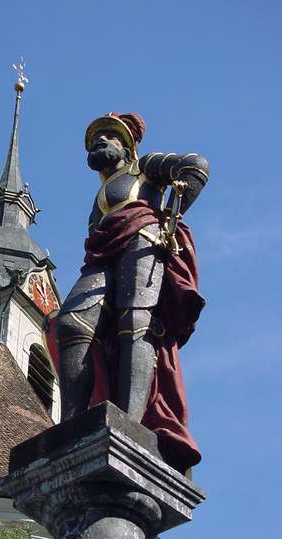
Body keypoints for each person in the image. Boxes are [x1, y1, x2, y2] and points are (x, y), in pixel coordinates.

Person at [51, 112, 209, 473]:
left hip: (143, 243)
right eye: (95, 139)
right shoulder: (104, 190)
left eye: (108, 137)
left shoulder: (146, 168)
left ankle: (128, 423)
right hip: (105, 253)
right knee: (72, 325)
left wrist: (172, 216)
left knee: (135, 323)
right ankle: (70, 423)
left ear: (128, 147)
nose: (99, 142)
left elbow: (196, 167)